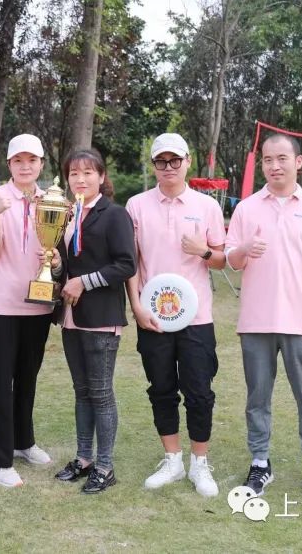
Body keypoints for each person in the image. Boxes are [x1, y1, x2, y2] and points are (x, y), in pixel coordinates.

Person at [225, 133, 302, 500]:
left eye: (282, 159)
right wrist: (244, 248)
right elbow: (231, 261)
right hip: (256, 322)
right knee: (257, 398)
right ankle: (260, 463)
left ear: (298, 162)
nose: (274, 166)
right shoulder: (246, 209)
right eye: (268, 159)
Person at [124, 133, 227, 497]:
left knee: (199, 391)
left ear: (187, 162)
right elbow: (131, 261)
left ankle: (200, 463)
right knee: (161, 389)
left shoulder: (207, 206)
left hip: (196, 318)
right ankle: (172, 460)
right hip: (153, 316)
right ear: (154, 165)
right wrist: (136, 306)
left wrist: (203, 251)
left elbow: (221, 260)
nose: (168, 167)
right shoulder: (136, 205)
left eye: (175, 160)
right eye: (161, 161)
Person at [51, 149, 136, 494]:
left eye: (88, 172)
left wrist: (83, 282)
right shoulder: (67, 214)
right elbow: (66, 265)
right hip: (72, 317)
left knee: (100, 393)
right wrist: (57, 265)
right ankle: (84, 458)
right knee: (82, 391)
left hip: (101, 317)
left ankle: (105, 466)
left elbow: (126, 265)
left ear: (101, 176)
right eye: (74, 173)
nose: (80, 179)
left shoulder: (114, 214)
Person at [0, 133, 56, 487]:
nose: (26, 166)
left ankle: (23, 441)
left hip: (38, 303)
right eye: (19, 161)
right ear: (9, 164)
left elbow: (58, 249)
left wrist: (54, 259)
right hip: (0, 305)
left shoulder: (52, 200)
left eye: (32, 160)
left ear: (41, 164)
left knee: (28, 378)